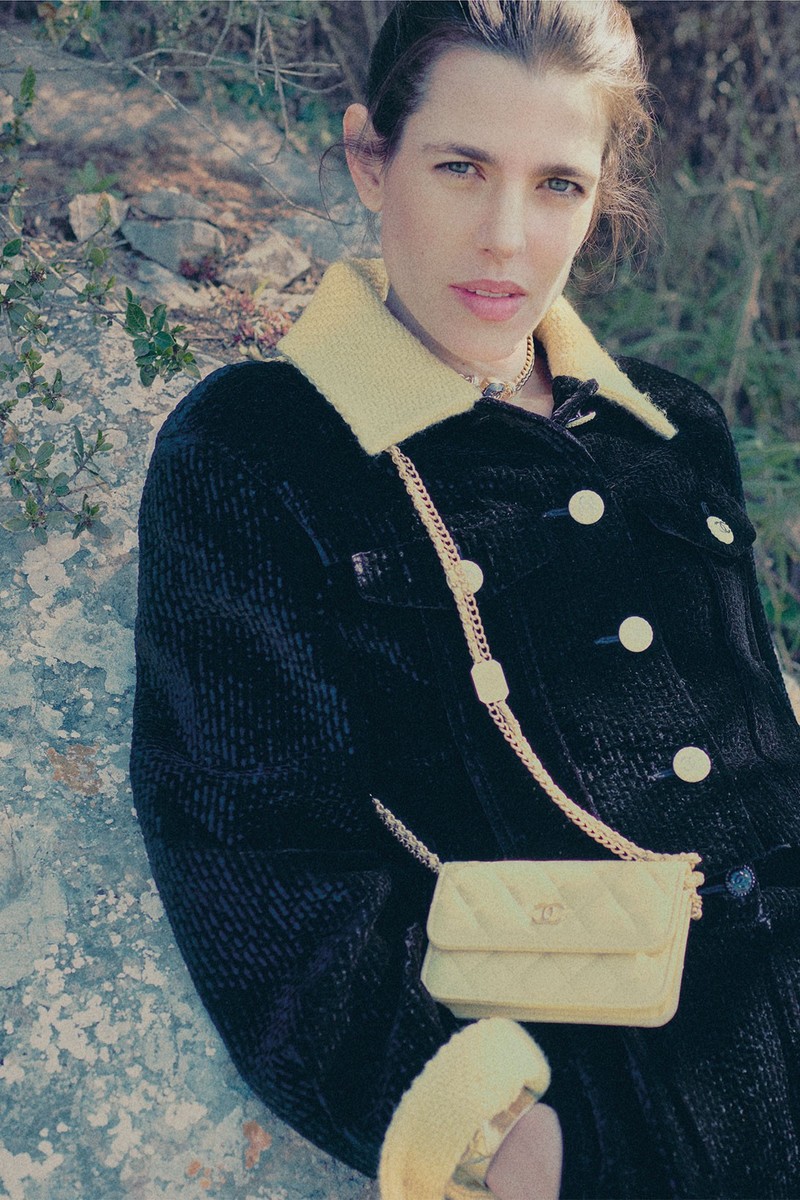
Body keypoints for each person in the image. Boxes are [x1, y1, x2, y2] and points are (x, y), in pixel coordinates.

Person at [129, 2, 800, 1198]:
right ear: (368, 157)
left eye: (556, 185)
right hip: (623, 1113)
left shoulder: (671, 424)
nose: (504, 237)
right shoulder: (261, 449)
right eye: (460, 168)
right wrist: (502, 1136)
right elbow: (256, 851)